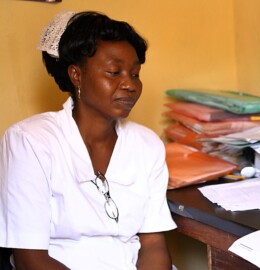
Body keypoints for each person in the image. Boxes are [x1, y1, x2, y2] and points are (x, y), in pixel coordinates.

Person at [0, 11, 176, 269]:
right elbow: (31, 260)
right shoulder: (30, 141)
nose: (130, 85)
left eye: (135, 73)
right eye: (114, 72)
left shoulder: (147, 145)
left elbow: (153, 245)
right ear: (76, 75)